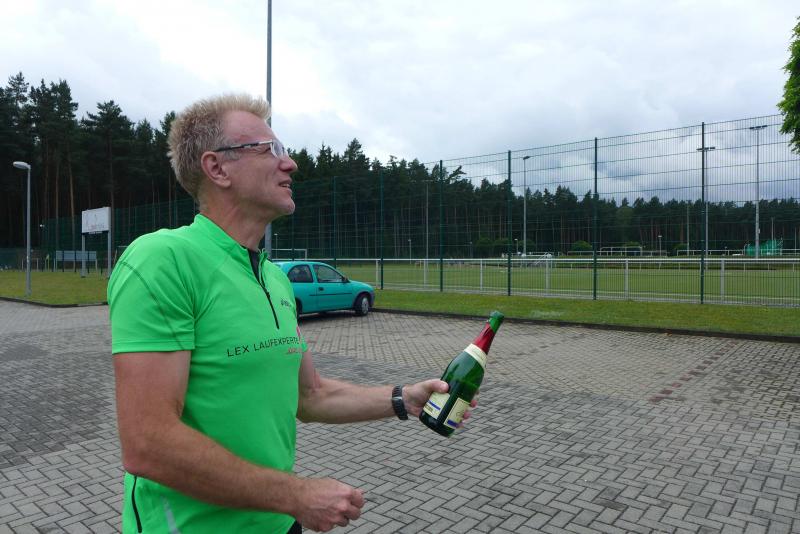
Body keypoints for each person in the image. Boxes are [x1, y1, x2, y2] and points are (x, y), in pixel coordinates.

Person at [108, 93, 475, 533]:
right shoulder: (163, 260)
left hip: (280, 524)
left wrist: (403, 398)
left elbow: (309, 395)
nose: (291, 163)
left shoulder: (275, 278)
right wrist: (296, 496)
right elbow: (148, 443)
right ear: (217, 168)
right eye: (270, 149)